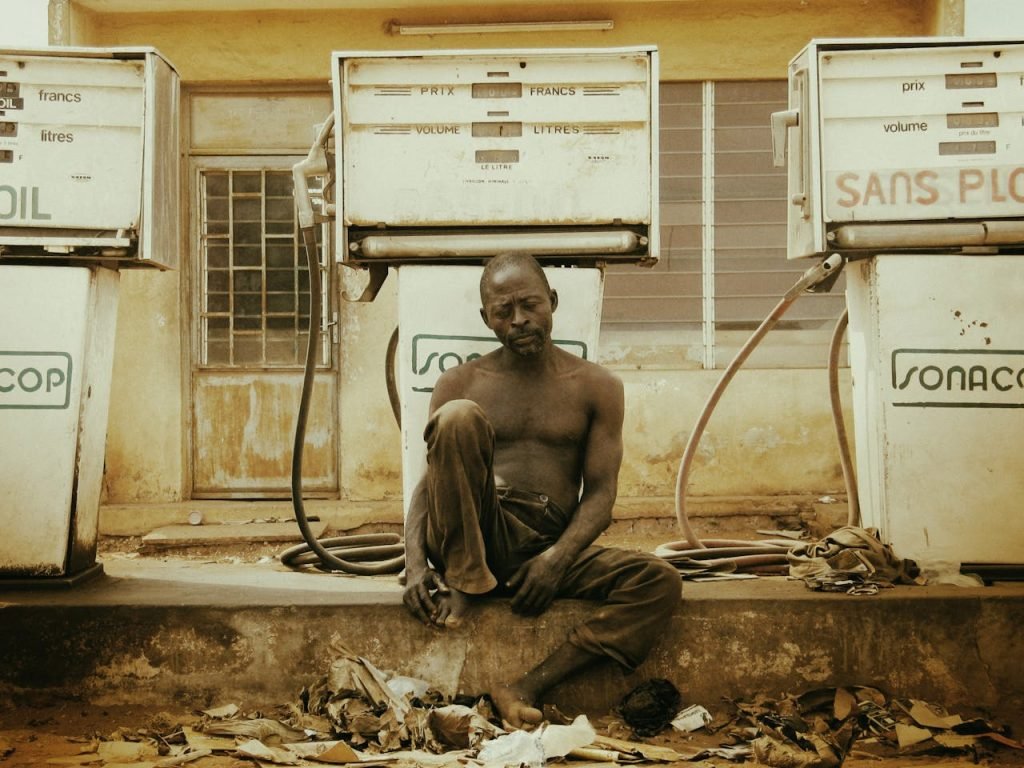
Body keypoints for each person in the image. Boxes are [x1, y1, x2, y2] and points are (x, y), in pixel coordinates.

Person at [402, 253, 682, 729]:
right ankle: (468, 579)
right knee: (458, 417)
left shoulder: (597, 386)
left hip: (544, 543)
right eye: (503, 311)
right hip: (474, 530)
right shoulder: (460, 382)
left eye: (529, 305)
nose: (519, 320)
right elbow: (430, 486)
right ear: (486, 319)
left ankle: (526, 687)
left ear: (551, 300)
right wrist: (414, 566)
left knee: (659, 581)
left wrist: (556, 561)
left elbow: (600, 497)